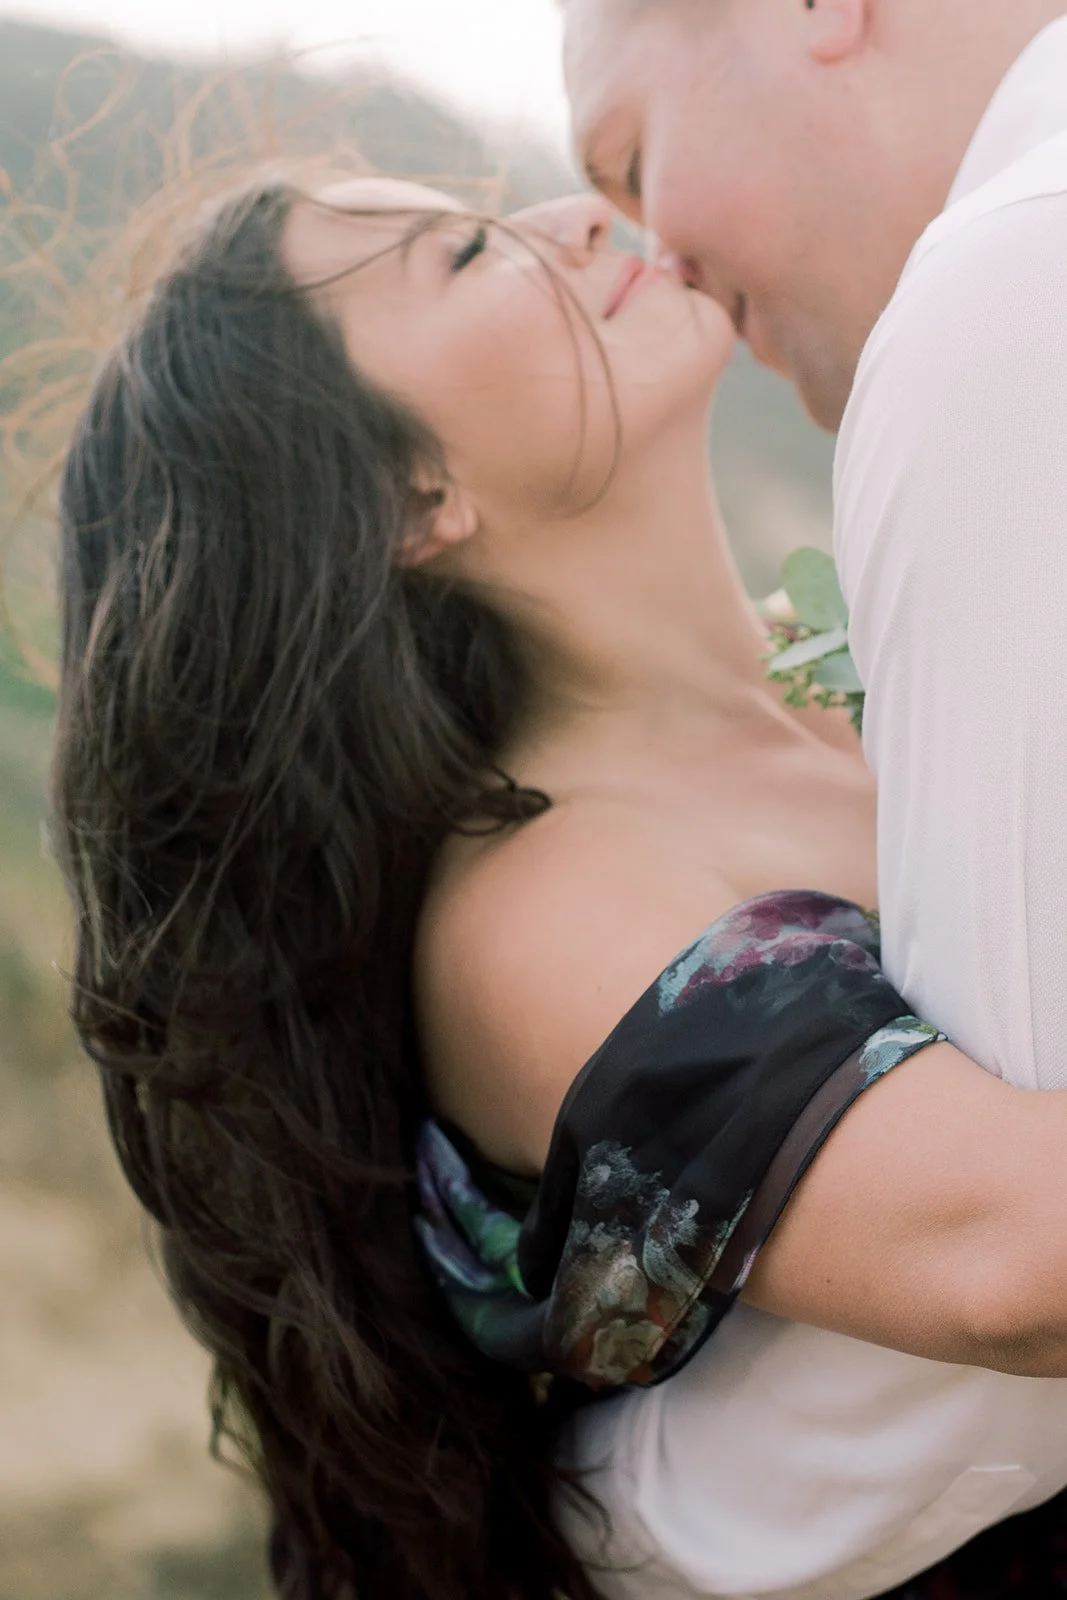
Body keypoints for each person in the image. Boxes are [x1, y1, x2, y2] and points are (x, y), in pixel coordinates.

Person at [48, 169, 1067, 1600]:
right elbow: (1015, 1261)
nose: (580, 216)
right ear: (410, 497)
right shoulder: (535, 913)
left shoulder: (872, 666)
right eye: (467, 254)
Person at [560, 0, 1067, 1593]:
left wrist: (589, 1521)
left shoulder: (1004, 292)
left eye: (632, 159)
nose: (660, 262)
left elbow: (1026, 1288)